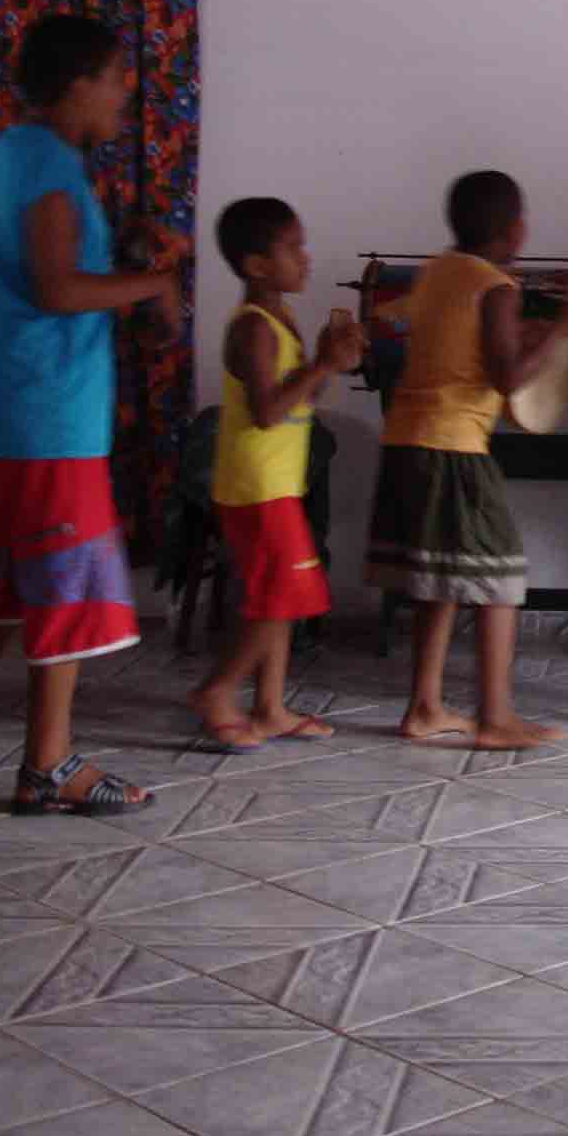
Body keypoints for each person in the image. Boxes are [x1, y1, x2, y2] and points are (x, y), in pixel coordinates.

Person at [0, 14, 178, 815]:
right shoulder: (50, 167)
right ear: (77, 82)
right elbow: (56, 290)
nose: (124, 93)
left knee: (11, 583)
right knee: (66, 583)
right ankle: (49, 765)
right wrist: (151, 283)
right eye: (115, 77)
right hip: (50, 418)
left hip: (1, 412)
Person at [363, 170, 568, 750]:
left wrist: (533, 329)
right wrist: (565, 328)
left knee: (442, 580)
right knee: (500, 577)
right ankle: (495, 717)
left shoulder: (438, 271)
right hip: (453, 446)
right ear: (516, 228)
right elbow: (506, 376)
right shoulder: (497, 286)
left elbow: (460, 341)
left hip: (406, 439)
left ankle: (425, 707)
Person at [190, 198, 364, 752]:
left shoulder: (277, 320)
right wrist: (322, 364)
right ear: (256, 265)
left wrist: (328, 359)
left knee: (278, 594)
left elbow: (298, 396)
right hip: (257, 485)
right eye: (293, 247)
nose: (305, 258)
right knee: (283, 596)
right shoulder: (253, 328)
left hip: (275, 482)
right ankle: (217, 692)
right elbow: (267, 411)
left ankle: (268, 708)